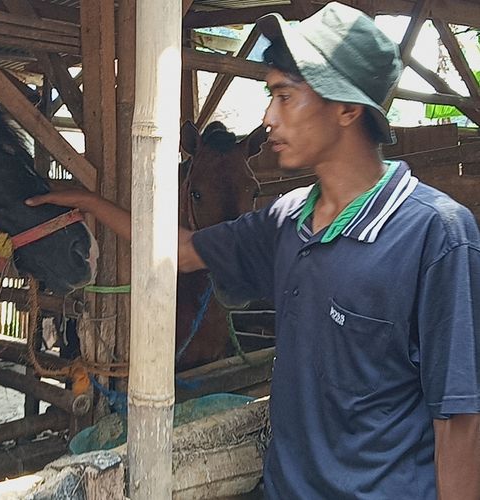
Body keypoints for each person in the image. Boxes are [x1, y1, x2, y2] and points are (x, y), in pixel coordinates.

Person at [26, 2, 480, 498]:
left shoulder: (436, 235)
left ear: (348, 109)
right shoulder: (288, 220)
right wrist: (90, 202)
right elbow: (181, 249)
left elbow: (457, 418)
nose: (268, 117)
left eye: (285, 97)